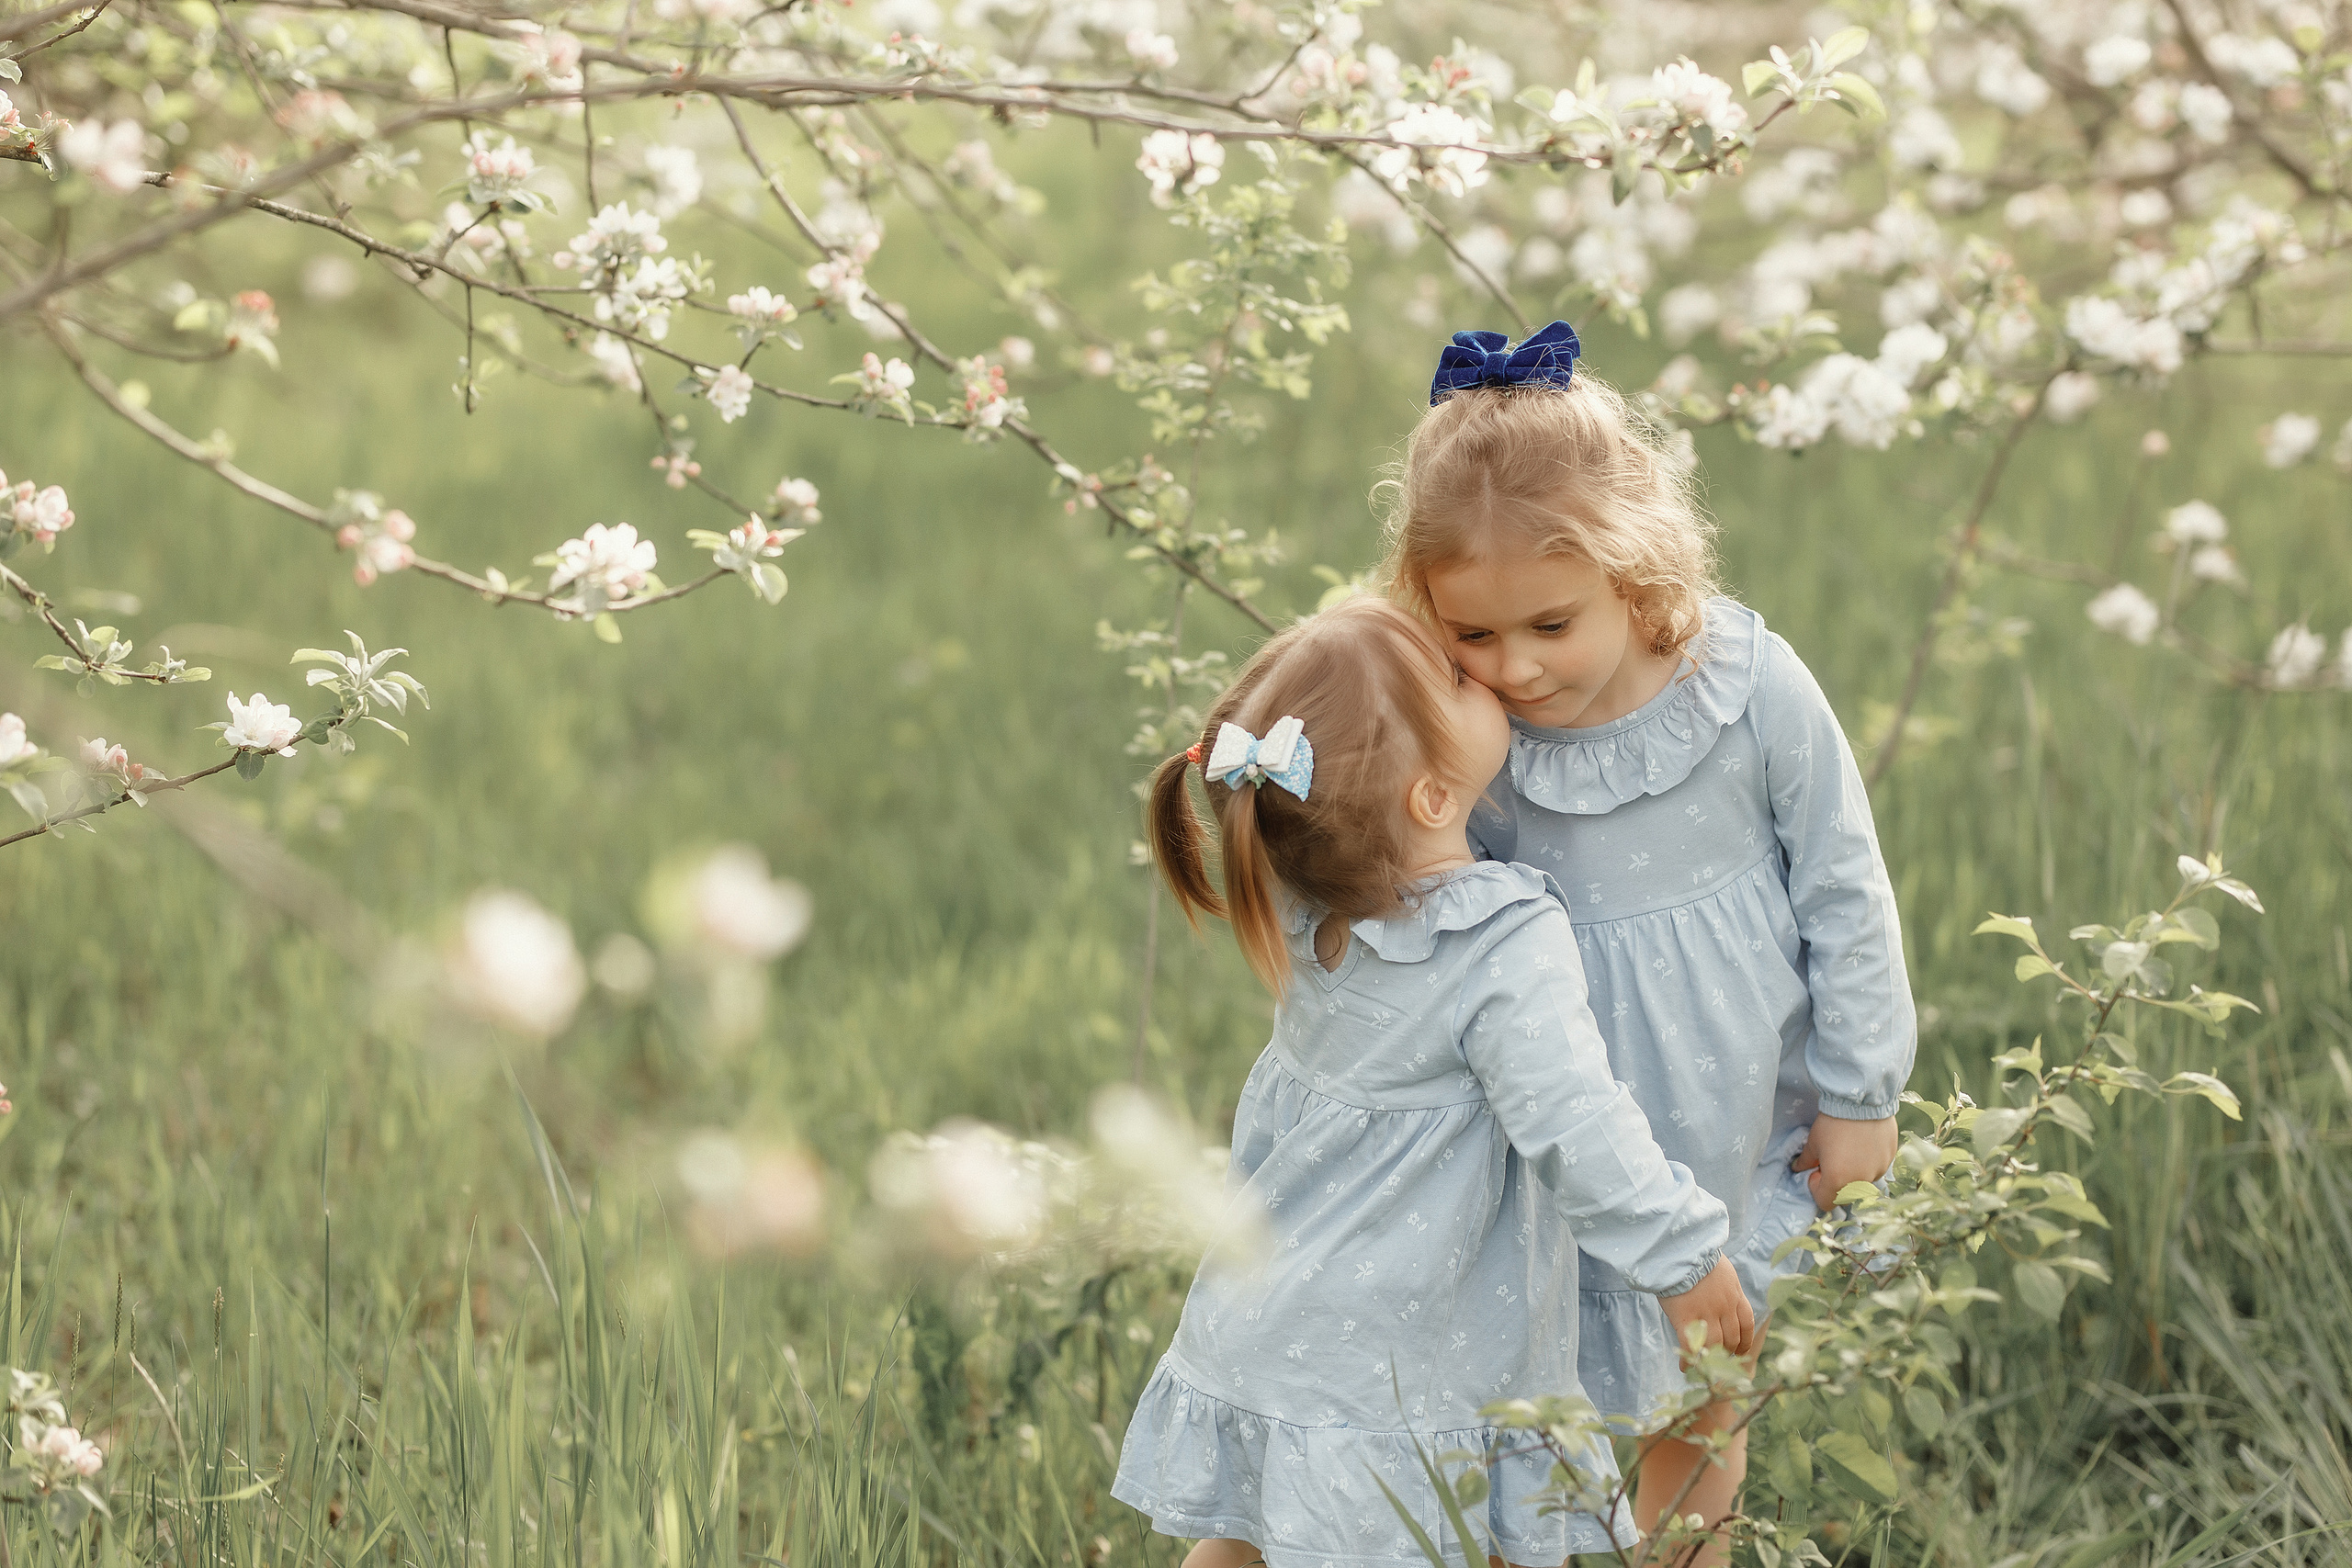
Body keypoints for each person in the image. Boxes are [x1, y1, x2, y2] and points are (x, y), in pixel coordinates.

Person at [1378, 321, 1918, 1564]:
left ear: (1634, 564)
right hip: (1555, 1132)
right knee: (1526, 1398)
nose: (1514, 667)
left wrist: (1862, 1094)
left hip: (1728, 1116)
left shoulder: (1745, 684)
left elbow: (1844, 884)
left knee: (1705, 1382)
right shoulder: (1467, 731)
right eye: (1473, 635)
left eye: (1549, 624)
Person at [1111, 594, 1752, 1568]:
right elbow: (1576, 1123)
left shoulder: (1308, 906)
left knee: (1243, 1544)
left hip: (1273, 1320)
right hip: (1410, 1357)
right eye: (1454, 674)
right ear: (1431, 801)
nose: (1482, 668)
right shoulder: (1498, 941)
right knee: (1453, 1528)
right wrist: (1681, 1256)